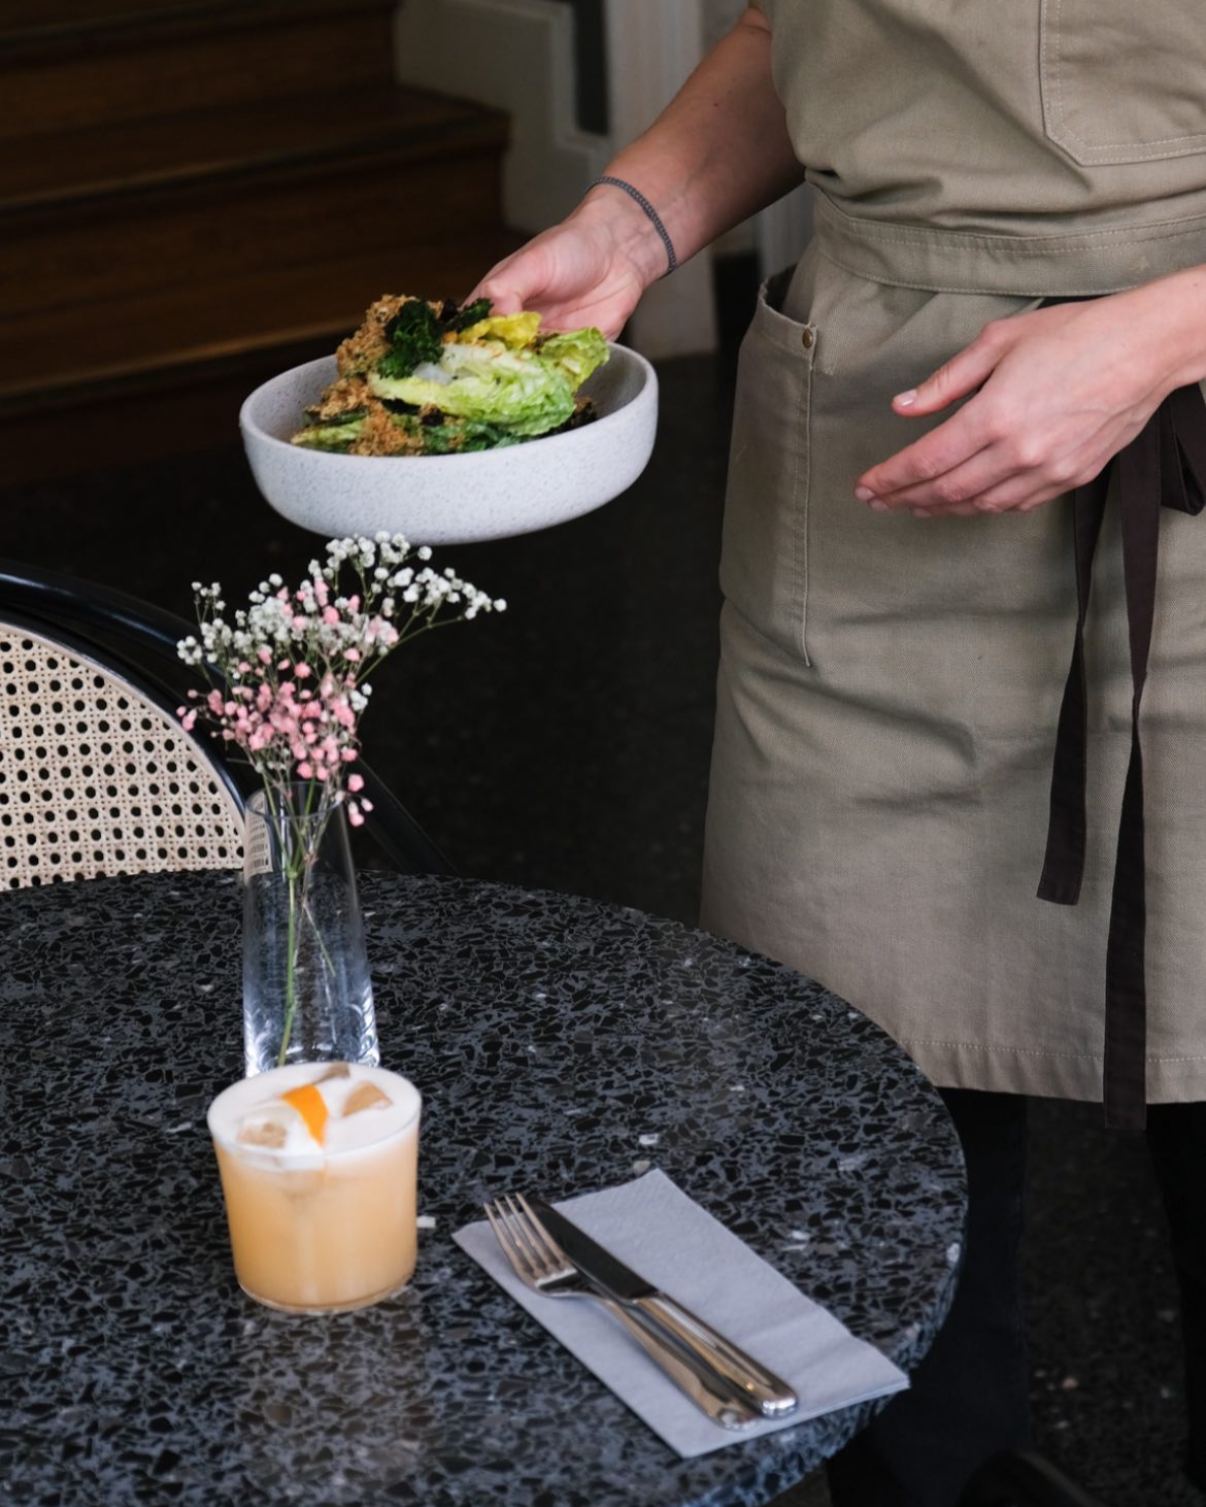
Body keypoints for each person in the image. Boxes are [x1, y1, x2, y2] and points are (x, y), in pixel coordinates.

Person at [468, 4, 1206, 1503]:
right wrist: (631, 224)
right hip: (876, 448)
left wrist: (1159, 329)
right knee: (852, 1121)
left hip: (1182, 447)